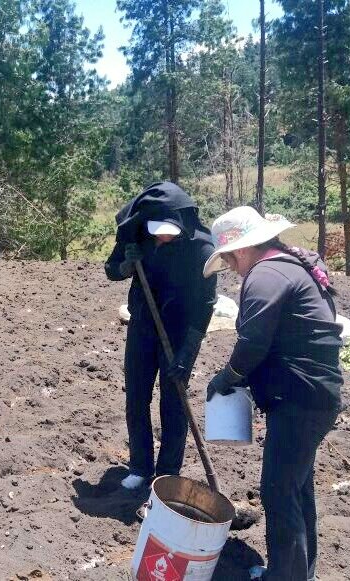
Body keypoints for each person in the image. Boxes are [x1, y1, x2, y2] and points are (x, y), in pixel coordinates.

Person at [203, 206, 343, 581]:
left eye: (230, 257)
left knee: (279, 492)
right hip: (314, 395)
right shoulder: (289, 266)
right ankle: (300, 572)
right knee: (297, 489)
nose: (231, 266)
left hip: (299, 399)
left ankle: (284, 577)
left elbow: (253, 342)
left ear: (243, 249)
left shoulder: (265, 274)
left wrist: (227, 377)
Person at [105, 182, 216, 490]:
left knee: (174, 401)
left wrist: (188, 351)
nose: (163, 237)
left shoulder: (202, 249)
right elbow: (110, 269)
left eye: (169, 231)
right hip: (143, 324)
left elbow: (206, 304)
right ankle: (140, 466)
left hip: (180, 331)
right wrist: (126, 265)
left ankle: (167, 473)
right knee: (136, 397)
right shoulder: (138, 235)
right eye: (158, 231)